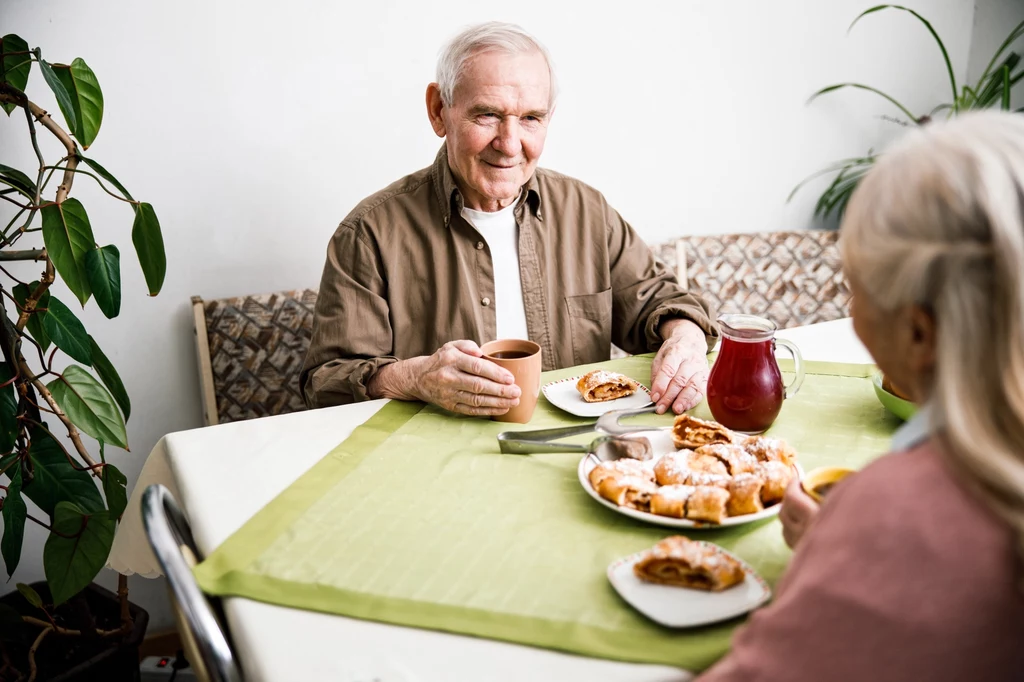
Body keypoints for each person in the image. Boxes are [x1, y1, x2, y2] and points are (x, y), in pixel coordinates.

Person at [698, 111, 1024, 681]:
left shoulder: (893, 514)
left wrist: (858, 547)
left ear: (919, 334)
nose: (851, 315)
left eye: (858, 291)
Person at [300, 22, 718, 417]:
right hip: (435, 463)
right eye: (487, 115)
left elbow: (661, 301)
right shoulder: (369, 233)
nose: (510, 144)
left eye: (531, 119)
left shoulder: (586, 210)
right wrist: (414, 378)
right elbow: (326, 382)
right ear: (438, 110)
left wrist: (685, 337)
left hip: (575, 454)